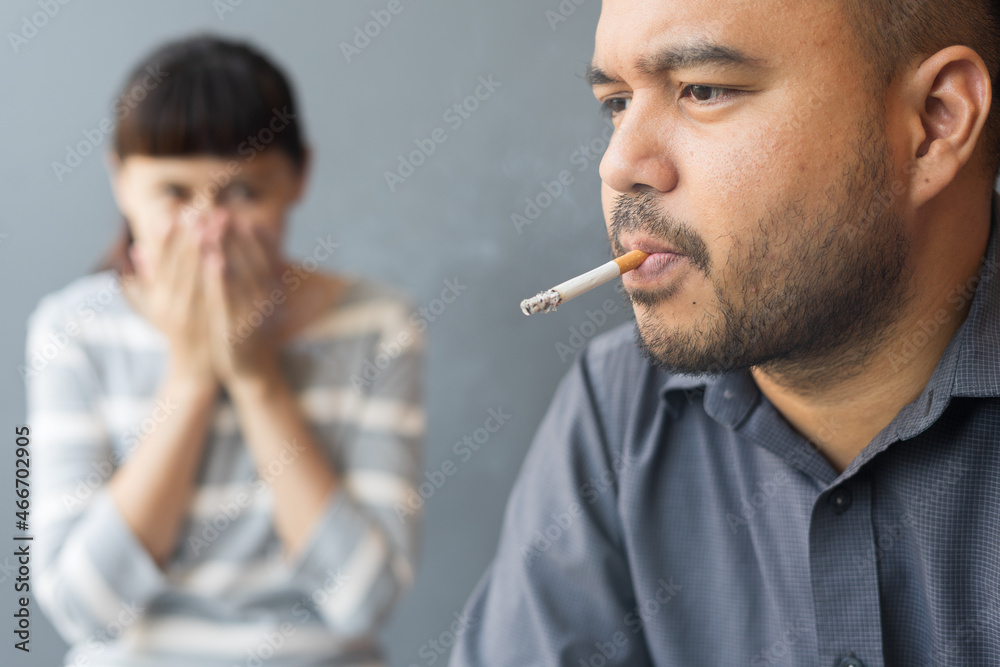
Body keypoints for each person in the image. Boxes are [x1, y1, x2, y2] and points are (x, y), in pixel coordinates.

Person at [450, 0, 1000, 665]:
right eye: (617, 102)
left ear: (935, 122)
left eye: (701, 90)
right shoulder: (620, 406)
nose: (619, 164)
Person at [25, 34, 424, 666]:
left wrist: (257, 378)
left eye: (243, 194)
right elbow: (83, 609)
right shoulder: (71, 331)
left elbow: (363, 600)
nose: (209, 229)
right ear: (121, 182)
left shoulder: (378, 326)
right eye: (174, 194)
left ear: (298, 177)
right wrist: (190, 377)